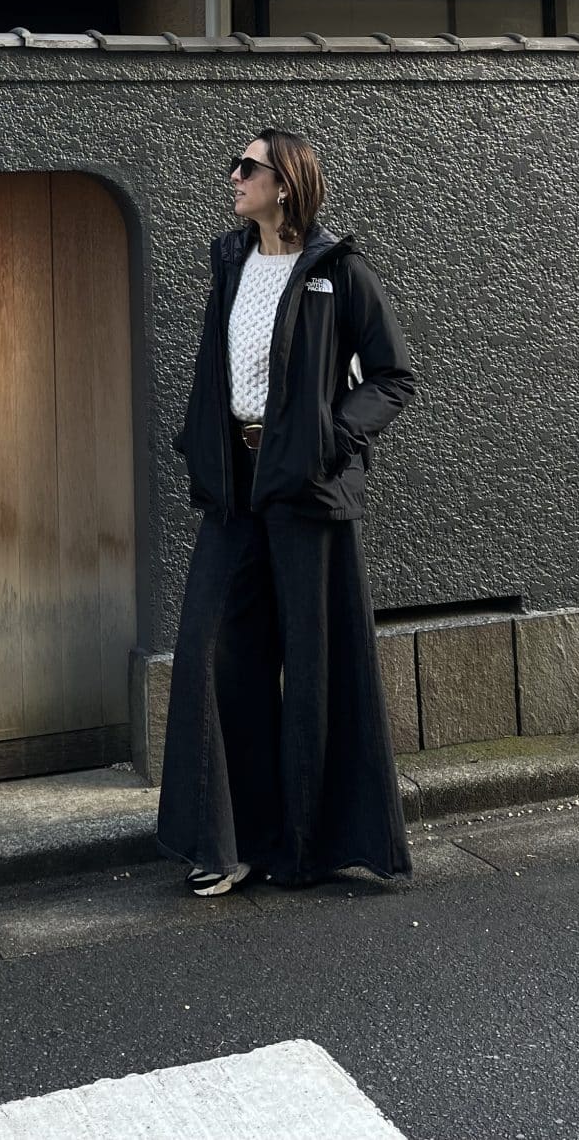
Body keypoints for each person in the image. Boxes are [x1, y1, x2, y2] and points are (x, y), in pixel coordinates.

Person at [156, 127, 417, 897]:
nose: (232, 176)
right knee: (210, 654)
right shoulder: (229, 260)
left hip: (303, 486)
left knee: (311, 665)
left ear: (285, 183)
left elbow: (393, 376)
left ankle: (302, 847)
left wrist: (330, 436)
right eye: (235, 165)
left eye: (247, 167)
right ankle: (223, 842)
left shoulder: (339, 270)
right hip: (235, 486)